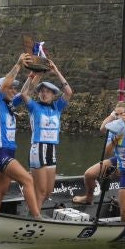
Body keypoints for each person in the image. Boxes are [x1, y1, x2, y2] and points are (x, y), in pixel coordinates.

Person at [73, 94, 125, 207]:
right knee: (89, 174)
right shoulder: (114, 127)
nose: (120, 117)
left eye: (122, 114)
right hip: (117, 159)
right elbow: (106, 145)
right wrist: (116, 137)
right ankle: (89, 197)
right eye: (117, 115)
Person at [0, 56, 42, 218]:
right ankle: (37, 218)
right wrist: (18, 64)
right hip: (1, 153)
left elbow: (26, 91)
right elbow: (6, 84)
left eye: (14, 88)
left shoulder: (10, 105)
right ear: (1, 90)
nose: (13, 91)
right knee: (28, 180)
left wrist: (37, 74)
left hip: (9, 154)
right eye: (10, 88)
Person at [19, 60, 74, 209]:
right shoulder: (34, 107)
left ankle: (34, 210)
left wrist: (56, 71)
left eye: (48, 91)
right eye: (42, 91)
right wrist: (33, 76)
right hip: (38, 149)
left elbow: (69, 92)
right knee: (41, 190)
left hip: (52, 150)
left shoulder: (57, 107)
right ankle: (35, 216)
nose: (44, 93)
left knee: (48, 191)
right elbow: (24, 93)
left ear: (53, 95)